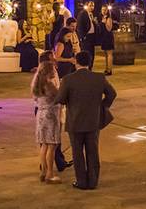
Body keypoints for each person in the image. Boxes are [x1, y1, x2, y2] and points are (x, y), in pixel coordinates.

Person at [55, 51, 117, 190]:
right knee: (93, 151)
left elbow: (60, 99)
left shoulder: (68, 79)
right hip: (93, 121)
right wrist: (102, 106)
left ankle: (81, 181)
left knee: (77, 153)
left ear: (76, 62)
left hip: (75, 121)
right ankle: (93, 181)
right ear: (89, 63)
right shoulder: (99, 78)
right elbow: (112, 94)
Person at [31, 52, 62, 184]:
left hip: (40, 115)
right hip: (51, 115)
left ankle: (43, 171)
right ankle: (50, 173)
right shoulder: (49, 85)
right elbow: (60, 97)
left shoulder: (36, 84)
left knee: (43, 145)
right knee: (52, 145)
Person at [76, 1, 97, 67]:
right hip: (86, 37)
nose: (92, 7)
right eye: (90, 5)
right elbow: (79, 26)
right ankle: (86, 67)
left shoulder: (90, 14)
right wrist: (82, 37)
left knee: (92, 53)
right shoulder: (82, 13)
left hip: (92, 37)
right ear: (86, 5)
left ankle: (90, 67)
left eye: (93, 6)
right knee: (86, 53)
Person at [96, 4, 116, 75]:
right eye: (102, 10)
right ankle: (107, 68)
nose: (103, 11)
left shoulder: (108, 18)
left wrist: (104, 23)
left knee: (109, 53)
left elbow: (109, 29)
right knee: (106, 54)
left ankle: (109, 70)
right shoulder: (102, 18)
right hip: (104, 37)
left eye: (105, 10)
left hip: (108, 37)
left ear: (107, 11)